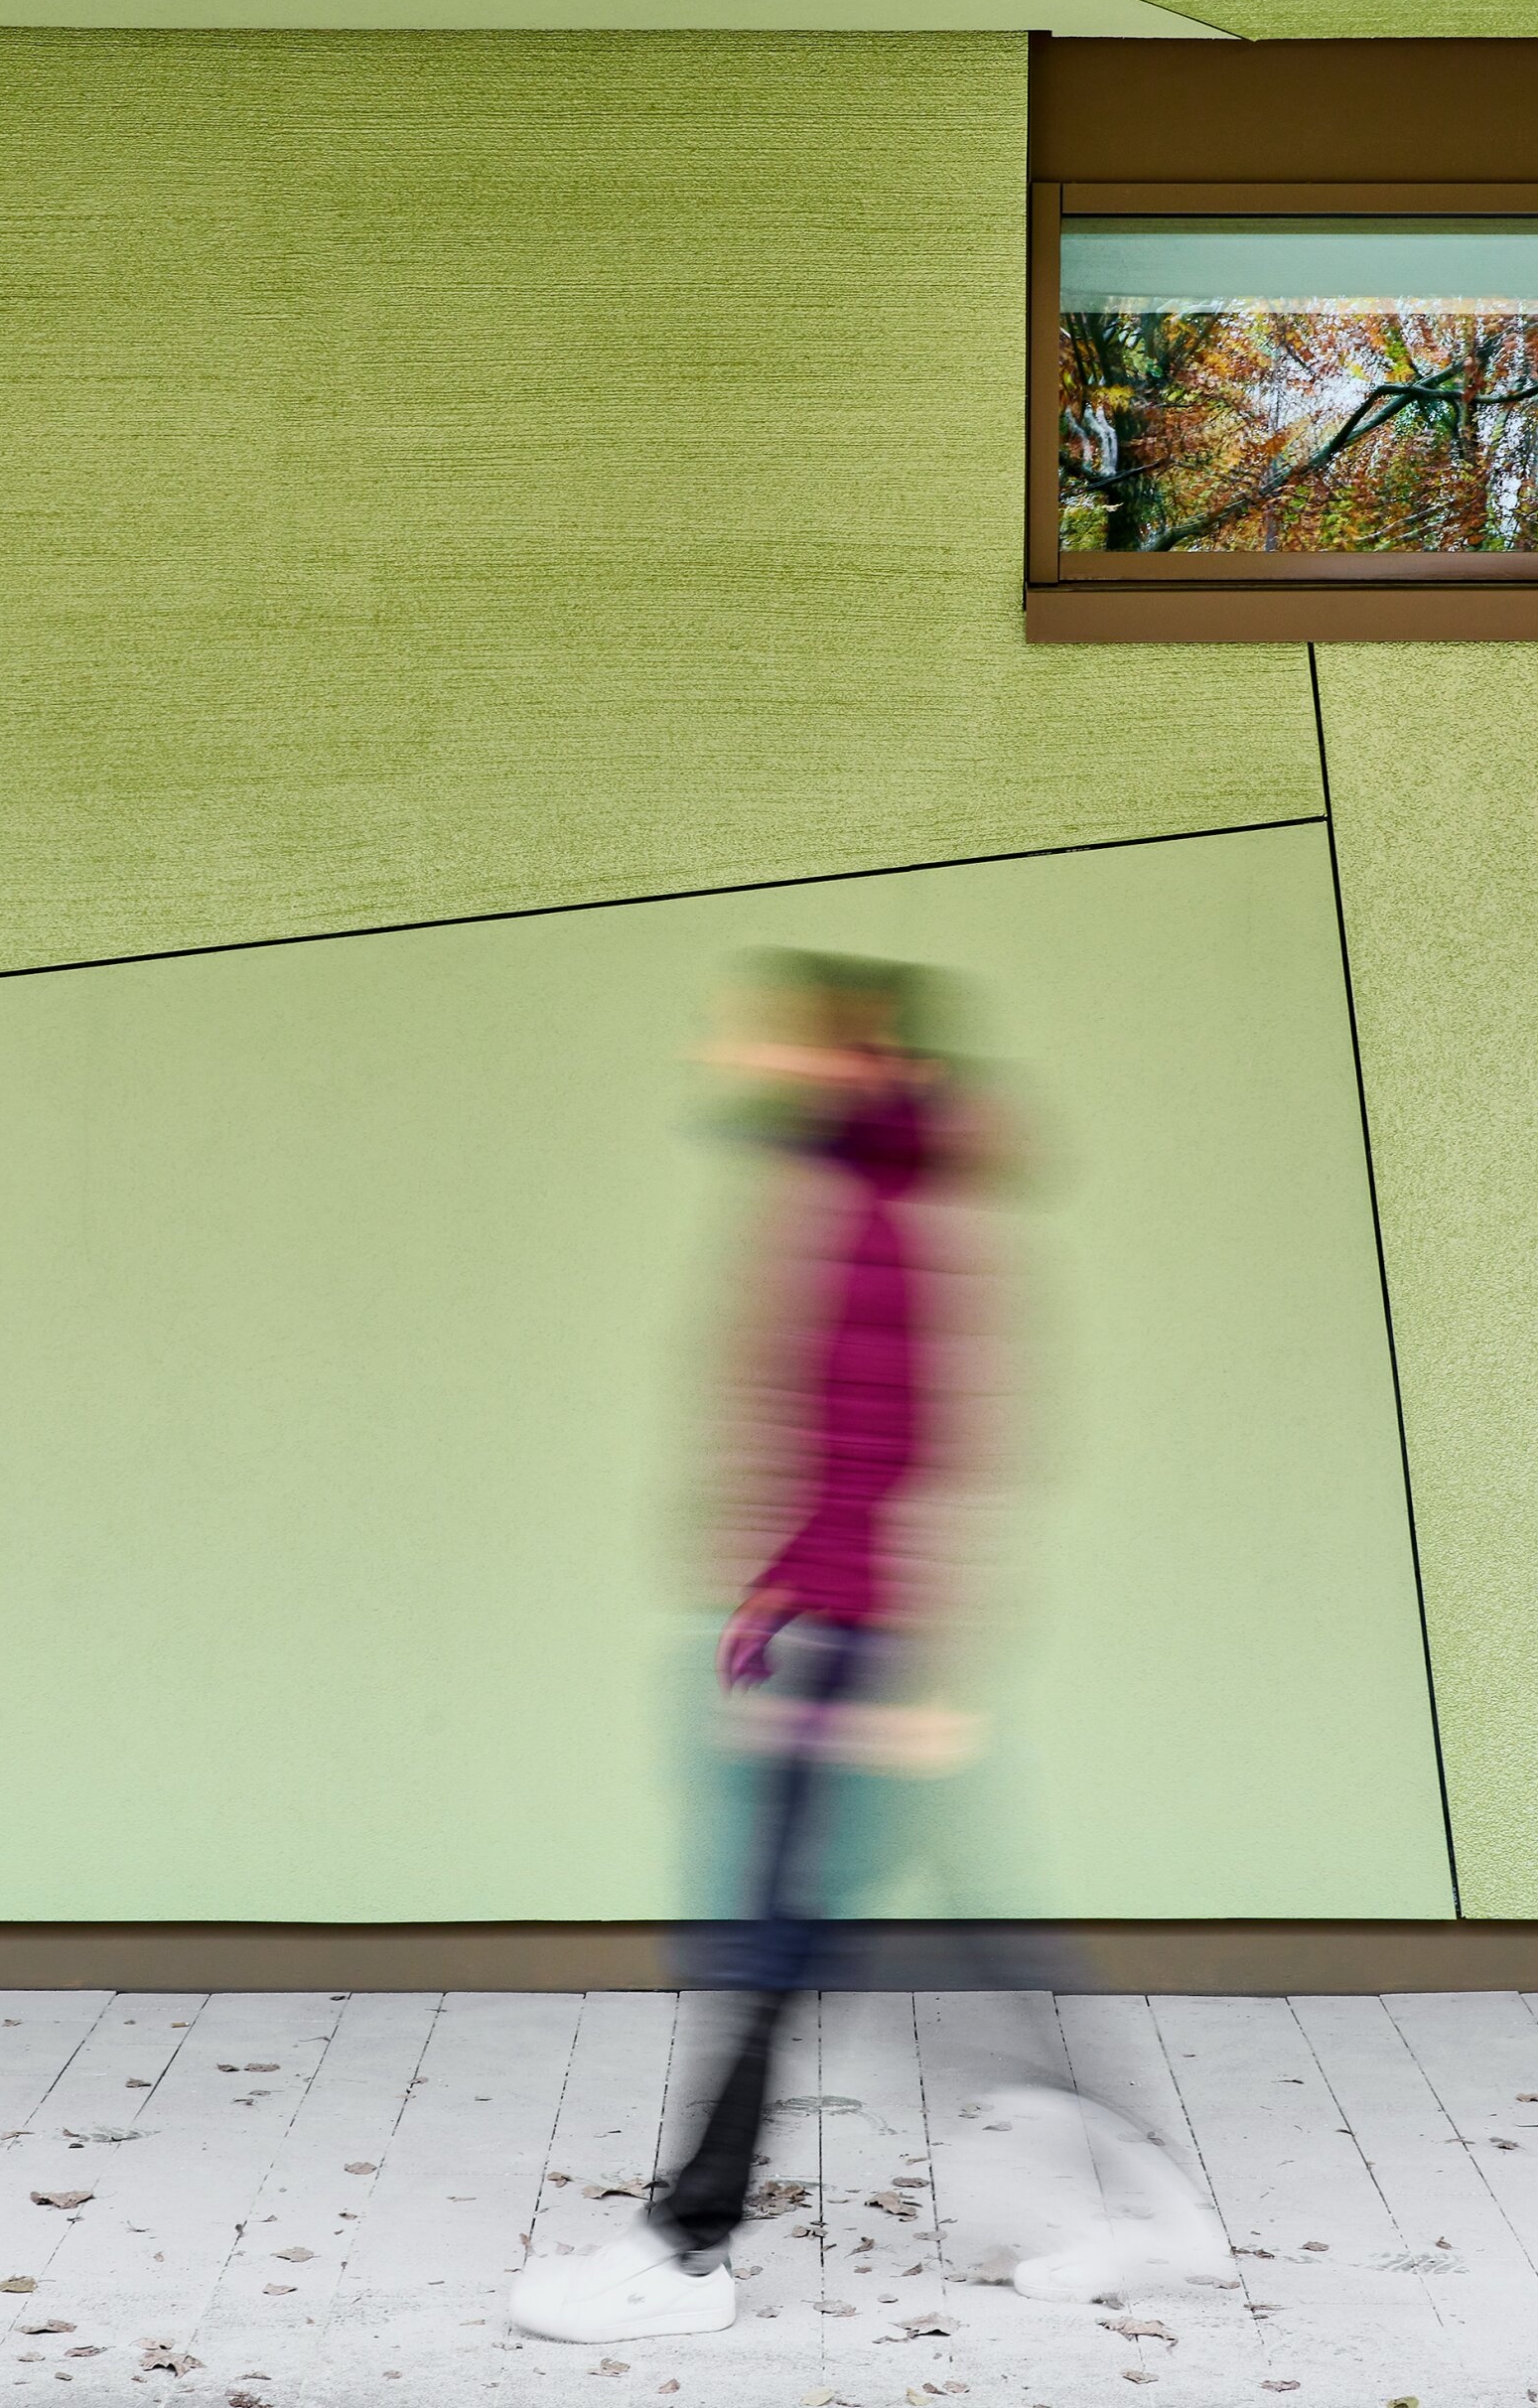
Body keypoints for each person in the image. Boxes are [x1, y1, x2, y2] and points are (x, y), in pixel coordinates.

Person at [510, 953, 1221, 2345]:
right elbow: (839, 1440)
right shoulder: (856, 1195)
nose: (744, 1056)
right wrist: (780, 1591)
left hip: (865, 1648)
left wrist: (903, 1662)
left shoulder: (881, 1213)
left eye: (776, 1039)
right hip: (841, 1632)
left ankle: (685, 2248)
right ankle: (1139, 2211)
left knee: (776, 1947)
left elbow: (924, 1443)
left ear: (857, 1053)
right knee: (937, 1954)